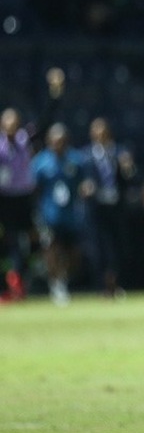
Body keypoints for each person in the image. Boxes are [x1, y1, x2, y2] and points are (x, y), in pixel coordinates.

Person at [0, 68, 64, 300]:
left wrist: (55, 94)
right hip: (4, 199)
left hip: (24, 198)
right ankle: (11, 281)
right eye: (8, 122)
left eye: (15, 121)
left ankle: (26, 277)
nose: (12, 125)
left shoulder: (24, 139)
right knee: (12, 241)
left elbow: (45, 121)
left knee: (35, 238)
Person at [31, 123, 90, 305]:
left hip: (71, 216)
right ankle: (56, 283)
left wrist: (85, 190)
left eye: (62, 141)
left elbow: (84, 182)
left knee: (74, 254)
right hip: (49, 215)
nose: (59, 144)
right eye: (55, 141)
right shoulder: (41, 162)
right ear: (49, 141)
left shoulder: (75, 160)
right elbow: (33, 188)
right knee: (52, 250)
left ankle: (64, 278)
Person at [84, 117, 137, 296]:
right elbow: (81, 181)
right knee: (99, 250)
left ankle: (117, 284)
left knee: (117, 249)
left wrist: (128, 168)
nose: (100, 135)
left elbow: (130, 178)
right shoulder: (86, 156)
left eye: (103, 132)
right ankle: (102, 286)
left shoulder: (119, 153)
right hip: (97, 209)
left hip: (116, 207)